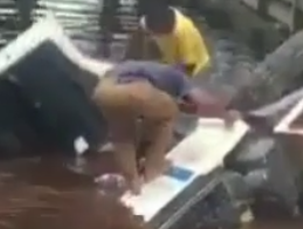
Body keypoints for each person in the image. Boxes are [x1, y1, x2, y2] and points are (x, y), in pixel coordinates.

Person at [91, 60, 239, 194]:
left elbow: (180, 106)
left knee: (124, 138)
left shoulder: (150, 70)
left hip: (102, 92)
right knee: (168, 115)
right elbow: (201, 101)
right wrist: (225, 115)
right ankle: (154, 168)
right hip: (134, 89)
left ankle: (133, 184)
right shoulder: (178, 77)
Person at [125, 4, 210, 77]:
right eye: (151, 33)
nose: (152, 37)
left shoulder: (185, 31)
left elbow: (189, 67)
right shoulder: (150, 22)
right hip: (171, 58)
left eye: (156, 34)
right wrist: (126, 65)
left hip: (196, 68)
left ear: (167, 29)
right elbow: (135, 41)